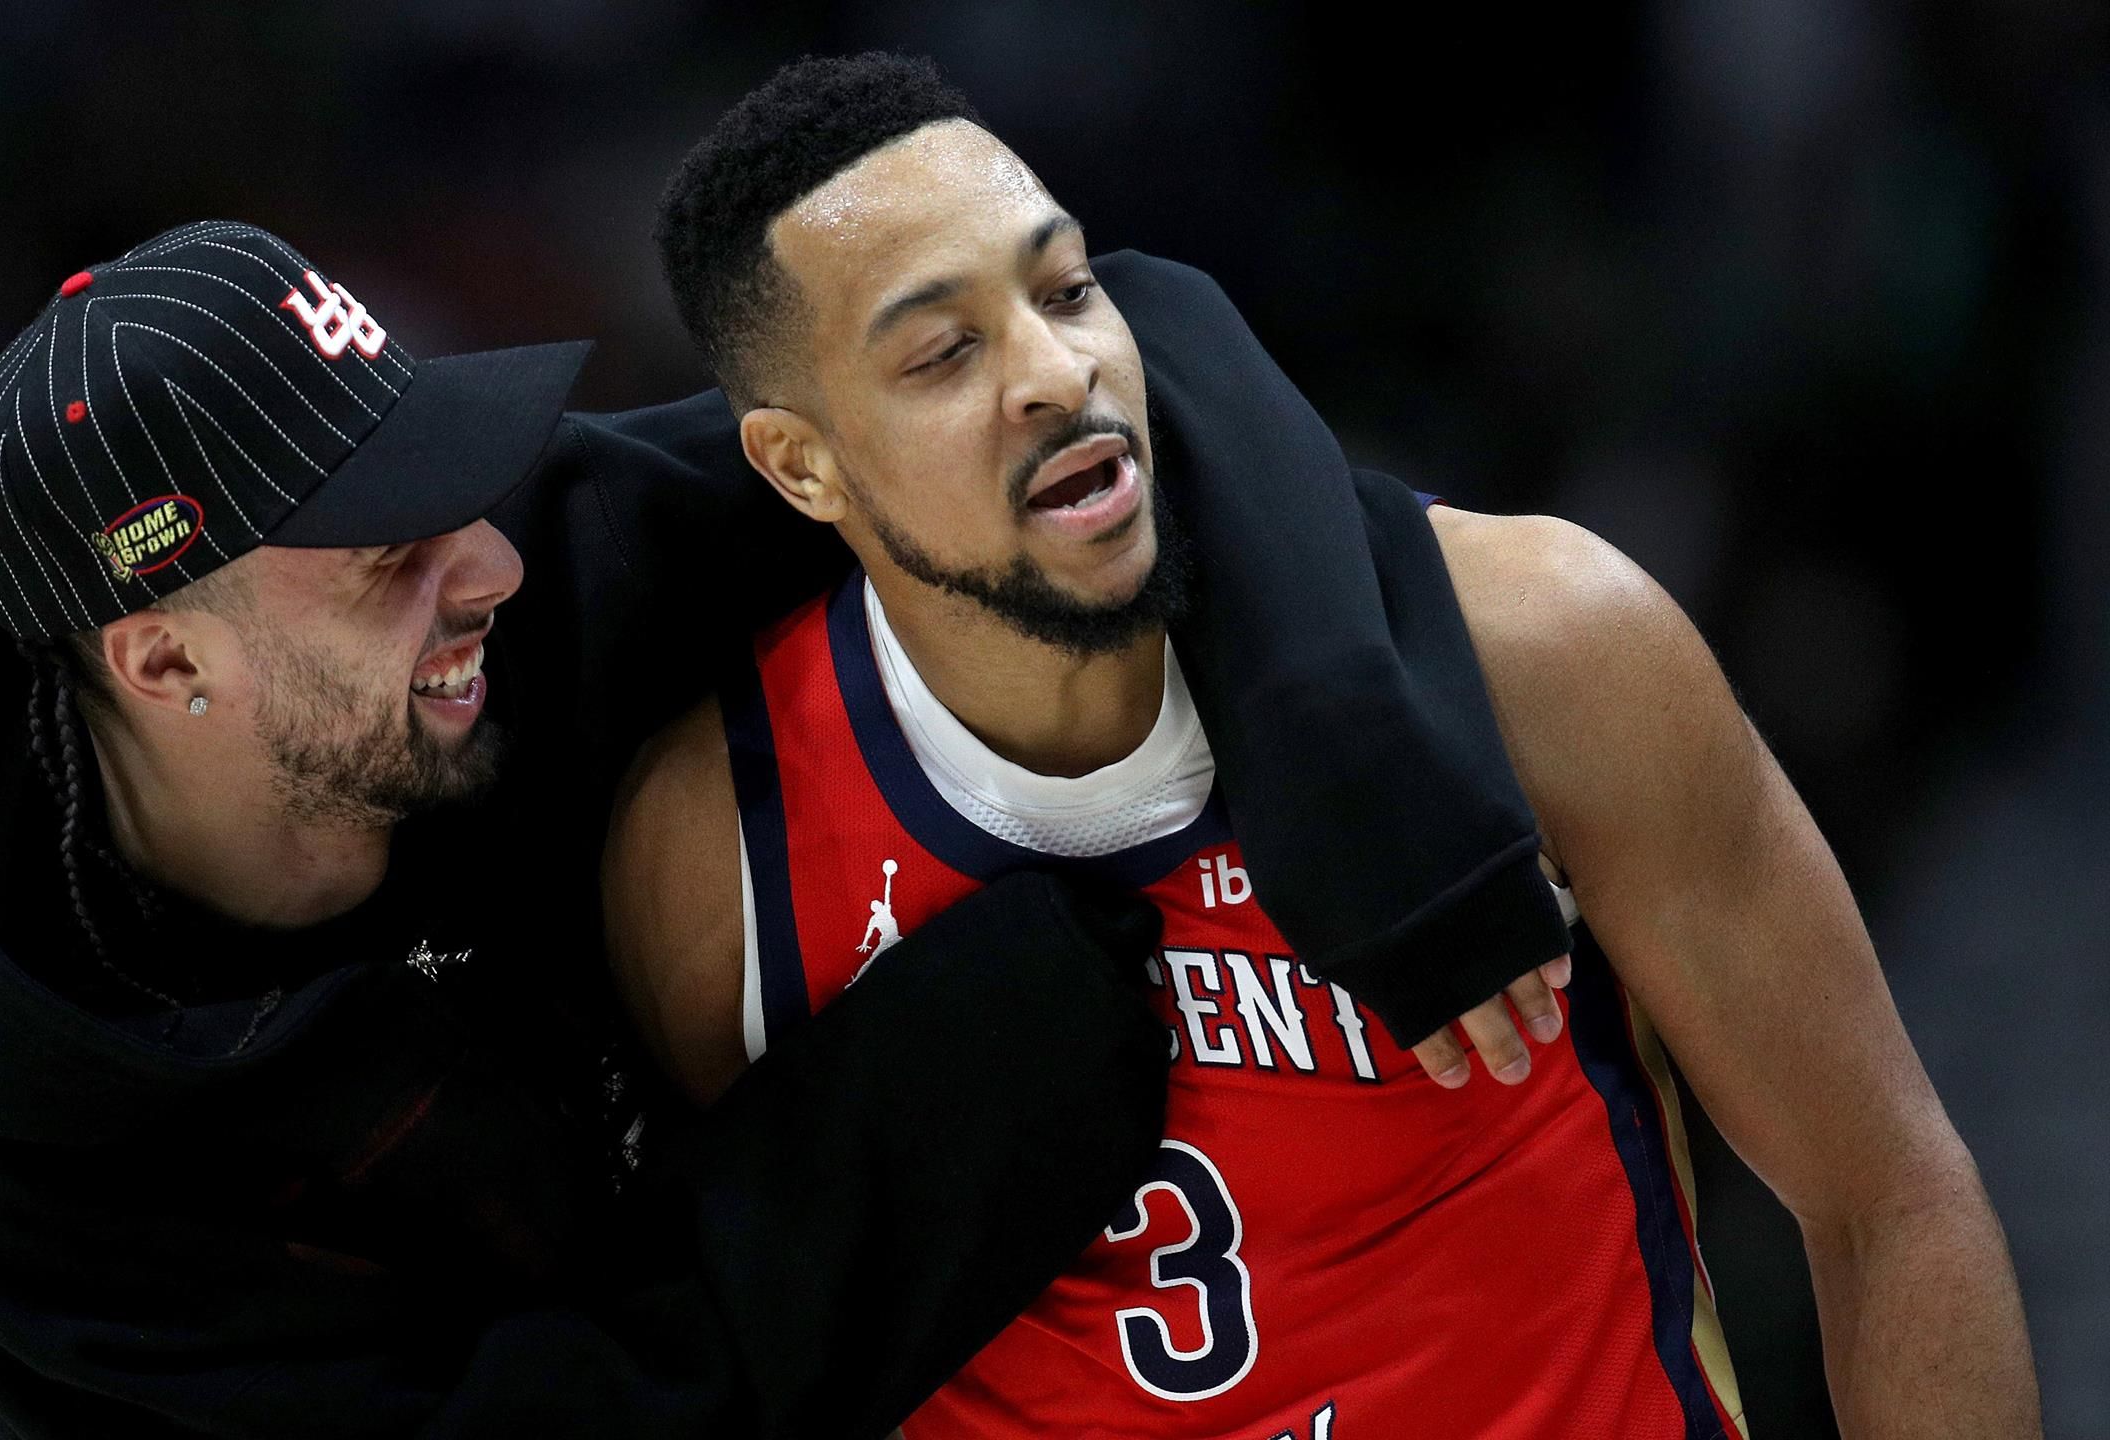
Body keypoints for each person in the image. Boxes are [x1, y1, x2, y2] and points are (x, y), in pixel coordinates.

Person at [0, 216, 1559, 1439]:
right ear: (166, 660)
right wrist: (988, 1052)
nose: (492, 568)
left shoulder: (539, 576)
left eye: (442, 474)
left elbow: (1124, 332)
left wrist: (1351, 750)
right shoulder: (4, 1176)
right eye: (391, 558)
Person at [605, 54, 2042, 1439]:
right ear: (802, 466)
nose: (1057, 372)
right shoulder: (710, 851)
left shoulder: (1535, 651)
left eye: (1068, 288)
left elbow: (1888, 1197)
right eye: (943, 351)